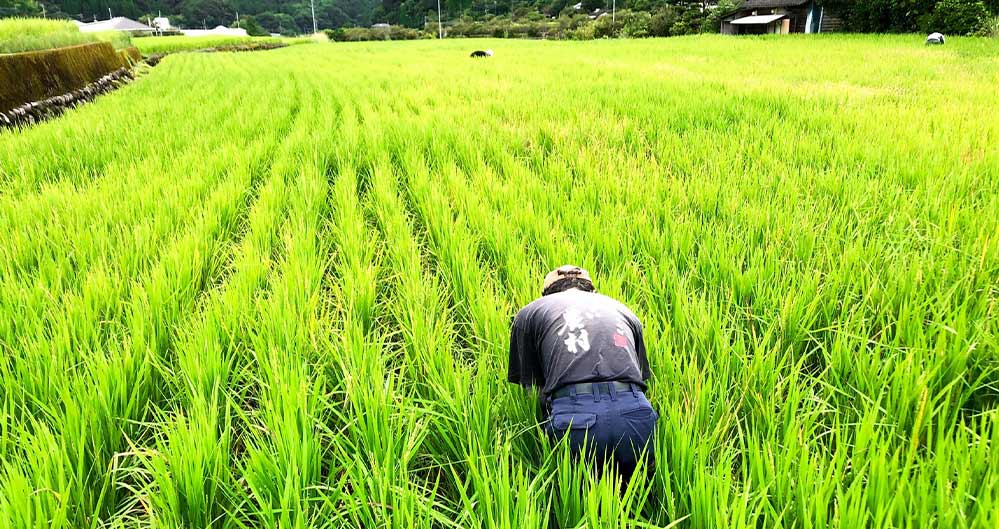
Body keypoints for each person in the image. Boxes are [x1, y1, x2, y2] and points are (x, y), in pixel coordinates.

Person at [508, 265, 658, 484]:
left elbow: (532, 389)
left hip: (575, 420)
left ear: (547, 294)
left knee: (578, 497)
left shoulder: (531, 312)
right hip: (635, 414)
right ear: (592, 290)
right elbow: (641, 377)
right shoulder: (624, 311)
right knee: (639, 493)